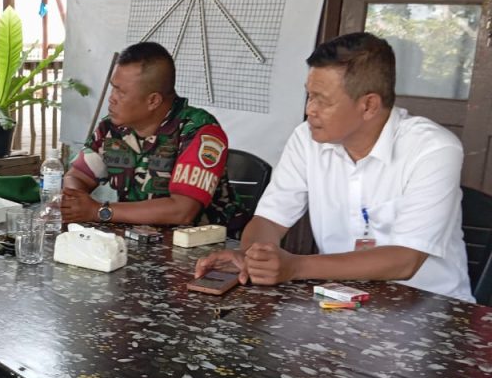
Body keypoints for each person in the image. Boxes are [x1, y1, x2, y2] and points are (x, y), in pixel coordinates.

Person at [196, 32, 473, 302]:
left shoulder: (432, 149)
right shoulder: (306, 139)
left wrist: (296, 267)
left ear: (369, 106)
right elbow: (269, 220)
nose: (309, 109)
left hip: (432, 308)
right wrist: (253, 258)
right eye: (309, 96)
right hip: (337, 299)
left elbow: (405, 259)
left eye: (322, 100)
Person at [61, 41, 241, 227]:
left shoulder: (198, 130)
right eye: (113, 87)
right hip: (134, 238)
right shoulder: (112, 128)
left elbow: (182, 211)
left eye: (121, 92)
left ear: (153, 101)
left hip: (205, 242)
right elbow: (77, 176)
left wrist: (99, 211)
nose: (111, 98)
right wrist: (75, 201)